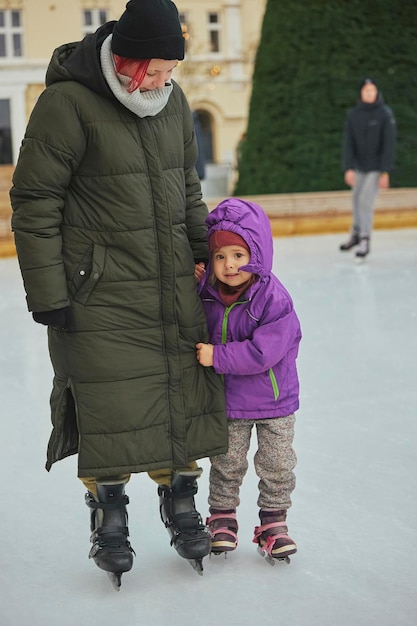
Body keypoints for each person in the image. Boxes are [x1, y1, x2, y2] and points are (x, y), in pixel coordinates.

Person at [10, 0, 227, 586]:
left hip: (171, 282)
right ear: (126, 59)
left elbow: (188, 188)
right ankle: (108, 512)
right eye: (154, 70)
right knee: (109, 401)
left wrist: (204, 253)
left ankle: (182, 500)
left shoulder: (174, 102)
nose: (162, 81)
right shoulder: (67, 103)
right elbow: (35, 202)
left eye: (170, 72)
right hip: (97, 291)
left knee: (180, 391)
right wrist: (48, 290)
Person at [195, 198, 301, 563]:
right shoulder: (208, 294)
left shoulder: (274, 299)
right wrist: (195, 284)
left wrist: (217, 356)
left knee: (277, 464)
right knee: (226, 462)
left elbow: (263, 353)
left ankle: (273, 522)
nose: (229, 265)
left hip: (274, 403)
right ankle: (221, 517)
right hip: (229, 402)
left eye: (239, 254)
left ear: (257, 252)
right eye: (220, 257)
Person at [340, 77, 396, 258]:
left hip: (376, 167)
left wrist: (385, 171)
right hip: (359, 166)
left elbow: (389, 144)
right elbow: (349, 142)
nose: (370, 93)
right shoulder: (354, 114)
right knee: (356, 198)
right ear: (361, 93)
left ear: (377, 92)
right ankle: (356, 233)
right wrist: (349, 167)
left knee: (365, 201)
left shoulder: (385, 114)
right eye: (366, 90)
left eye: (373, 90)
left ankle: (365, 238)